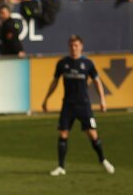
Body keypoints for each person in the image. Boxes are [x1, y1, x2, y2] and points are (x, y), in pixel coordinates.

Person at [41, 35, 114, 177]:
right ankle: (61, 167)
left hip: (84, 105)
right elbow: (55, 82)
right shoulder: (63, 63)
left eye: (76, 45)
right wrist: (46, 99)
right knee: (63, 134)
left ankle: (103, 160)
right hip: (68, 105)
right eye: (71, 46)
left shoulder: (88, 63)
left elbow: (97, 81)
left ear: (81, 46)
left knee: (92, 134)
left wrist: (102, 100)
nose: (74, 48)